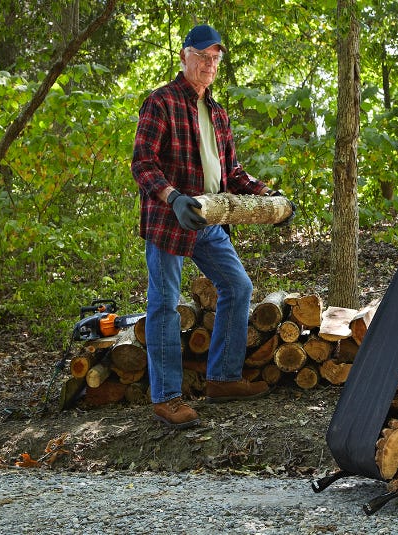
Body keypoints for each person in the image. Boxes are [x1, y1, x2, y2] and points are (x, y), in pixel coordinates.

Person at [131, 24, 295, 429]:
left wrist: (270, 199)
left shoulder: (217, 112)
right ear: (185, 56)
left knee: (237, 287)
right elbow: (143, 165)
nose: (209, 65)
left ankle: (222, 379)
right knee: (165, 304)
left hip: (210, 218)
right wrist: (173, 197)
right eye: (202, 56)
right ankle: (167, 398)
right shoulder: (161, 102)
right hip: (171, 220)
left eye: (215, 59)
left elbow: (232, 174)